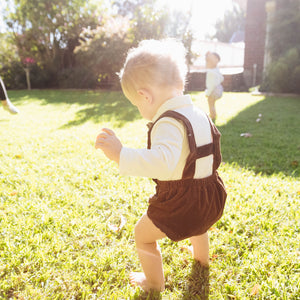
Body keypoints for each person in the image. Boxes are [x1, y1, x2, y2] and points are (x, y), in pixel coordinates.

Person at [95, 39, 227, 293]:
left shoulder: (168, 122)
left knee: (142, 236)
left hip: (183, 203)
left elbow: (163, 163)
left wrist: (121, 154)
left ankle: (154, 283)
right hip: (210, 196)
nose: (140, 109)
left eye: (137, 104)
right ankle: (202, 259)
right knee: (199, 227)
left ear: (144, 95)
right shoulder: (199, 113)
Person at [205, 51, 224, 122]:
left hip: (213, 90)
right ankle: (213, 114)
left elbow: (211, 85)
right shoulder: (216, 70)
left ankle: (212, 115)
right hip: (219, 88)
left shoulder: (210, 72)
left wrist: (207, 93)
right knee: (212, 103)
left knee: (210, 102)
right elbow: (222, 78)